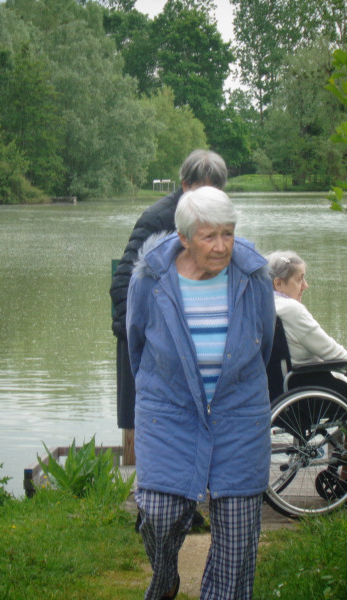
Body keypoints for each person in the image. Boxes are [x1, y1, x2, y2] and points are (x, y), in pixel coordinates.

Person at [127, 187, 275, 600]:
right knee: (157, 513)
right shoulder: (151, 279)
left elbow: (264, 342)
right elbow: (136, 343)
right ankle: (165, 579)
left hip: (238, 413)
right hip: (170, 412)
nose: (222, 246)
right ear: (184, 237)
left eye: (228, 234)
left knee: (238, 536)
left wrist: (237, 390)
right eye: (210, 236)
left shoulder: (253, 276)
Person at [110, 149, 228, 433]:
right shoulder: (159, 219)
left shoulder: (216, 223)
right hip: (154, 348)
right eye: (203, 189)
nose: (211, 198)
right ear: (185, 185)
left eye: (217, 190)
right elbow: (122, 284)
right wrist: (152, 340)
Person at [265, 250, 347, 500]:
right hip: (304, 390)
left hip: (277, 389)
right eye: (300, 279)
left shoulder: (261, 305)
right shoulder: (291, 309)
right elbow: (333, 350)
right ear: (278, 283)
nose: (306, 285)